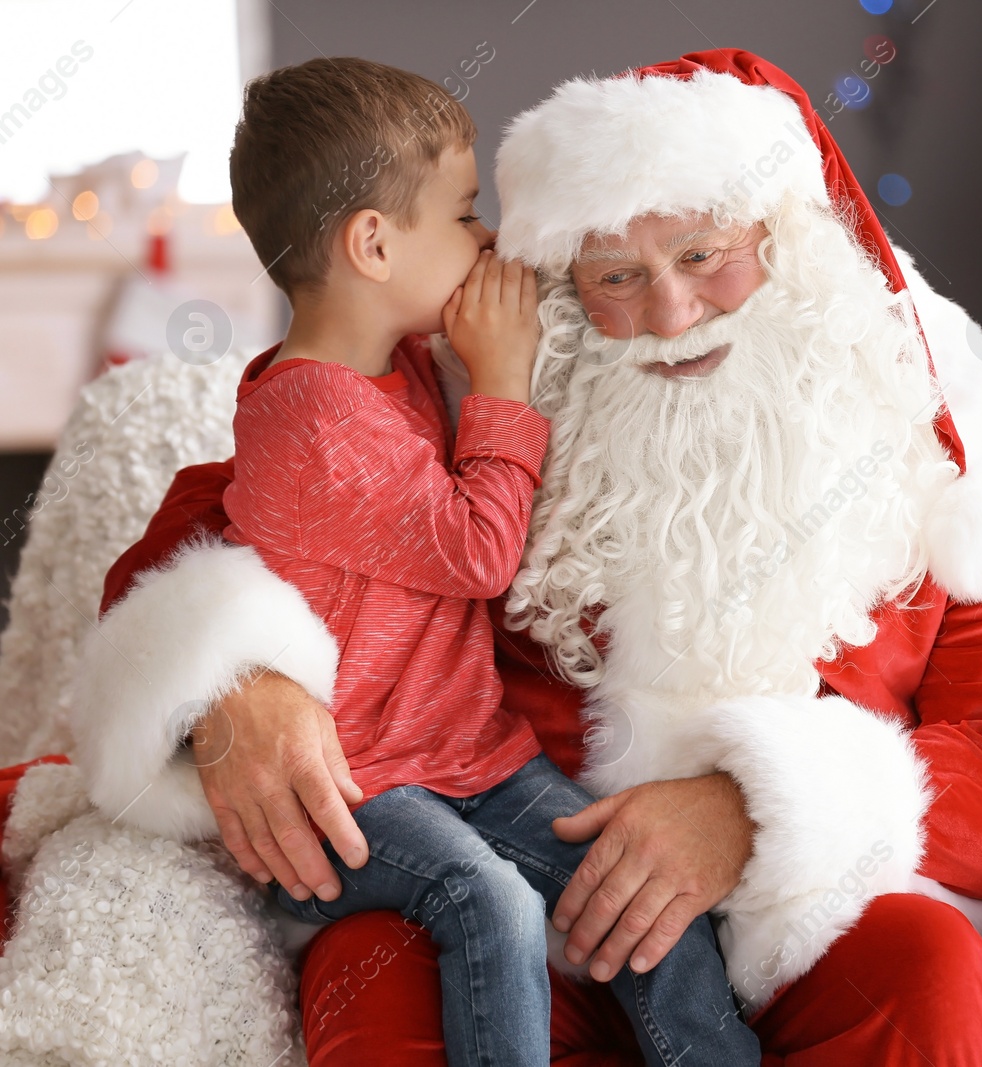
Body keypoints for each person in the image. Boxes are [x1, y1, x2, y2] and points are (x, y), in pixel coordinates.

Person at [77, 51, 982, 1064]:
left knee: (925, 967)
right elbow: (224, 516)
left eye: (705, 255)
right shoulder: (475, 390)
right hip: (524, 898)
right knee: (376, 967)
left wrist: (758, 812)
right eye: (617, 275)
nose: (669, 314)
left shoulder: (979, 453)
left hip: (801, 923)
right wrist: (236, 684)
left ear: (789, 234)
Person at [105, 57, 759, 1067]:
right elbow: (479, 550)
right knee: (485, 896)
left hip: (472, 756)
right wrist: (504, 381)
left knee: (635, 897)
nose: (486, 237)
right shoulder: (308, 420)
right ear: (372, 243)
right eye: (462, 214)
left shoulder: (396, 362)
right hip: (353, 789)